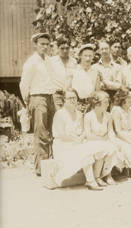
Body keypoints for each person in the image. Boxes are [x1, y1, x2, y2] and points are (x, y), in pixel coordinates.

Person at [52, 89, 114, 190]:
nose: (72, 100)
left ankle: (96, 178)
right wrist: (75, 139)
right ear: (64, 100)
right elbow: (60, 135)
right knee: (85, 155)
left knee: (97, 149)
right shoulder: (60, 114)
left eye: (74, 98)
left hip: (77, 143)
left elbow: (84, 131)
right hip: (63, 145)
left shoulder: (79, 114)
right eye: (69, 98)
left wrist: (80, 138)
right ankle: (91, 181)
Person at [19, 32, 54, 176]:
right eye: (42, 44)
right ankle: (41, 169)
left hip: (49, 97)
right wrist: (28, 102)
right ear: (36, 45)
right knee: (41, 133)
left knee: (50, 132)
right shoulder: (31, 62)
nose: (45, 47)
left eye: (47, 44)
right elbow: (24, 84)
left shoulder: (48, 60)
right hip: (37, 97)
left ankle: (49, 165)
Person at [83, 91, 119, 186]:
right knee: (102, 149)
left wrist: (113, 140)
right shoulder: (88, 116)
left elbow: (110, 131)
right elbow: (88, 134)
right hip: (91, 141)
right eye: (105, 102)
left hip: (104, 140)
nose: (108, 104)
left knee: (113, 148)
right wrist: (102, 140)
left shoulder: (108, 116)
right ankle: (97, 177)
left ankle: (107, 175)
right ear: (97, 103)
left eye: (108, 102)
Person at [47, 37, 77, 110]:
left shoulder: (74, 62)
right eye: (62, 48)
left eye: (67, 48)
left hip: (70, 95)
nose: (65, 50)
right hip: (57, 95)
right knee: (59, 117)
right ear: (58, 48)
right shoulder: (51, 61)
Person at [69, 44, 100, 111]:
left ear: (93, 57)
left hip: (91, 105)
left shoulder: (95, 72)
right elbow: (68, 90)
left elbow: (97, 92)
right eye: (85, 56)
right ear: (80, 56)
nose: (88, 58)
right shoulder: (73, 70)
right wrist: (75, 105)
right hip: (76, 104)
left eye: (90, 56)